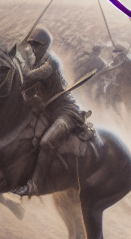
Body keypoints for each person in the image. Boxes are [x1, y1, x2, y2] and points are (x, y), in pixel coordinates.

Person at [7, 28, 93, 196]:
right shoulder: (35, 63)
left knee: (47, 142)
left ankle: (34, 186)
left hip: (65, 111)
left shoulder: (51, 62)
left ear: (45, 46)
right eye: (31, 44)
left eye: (36, 45)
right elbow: (26, 88)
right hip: (48, 111)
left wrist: (19, 71)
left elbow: (35, 75)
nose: (33, 48)